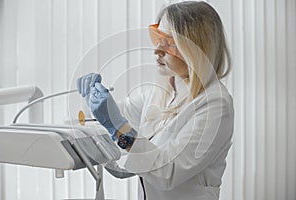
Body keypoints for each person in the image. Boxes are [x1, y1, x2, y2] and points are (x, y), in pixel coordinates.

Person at [77, 1, 234, 200]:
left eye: (170, 43)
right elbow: (113, 114)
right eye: (158, 37)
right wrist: (91, 97)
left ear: (197, 49)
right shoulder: (164, 91)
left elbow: (168, 172)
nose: (157, 50)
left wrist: (118, 127)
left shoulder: (215, 106)